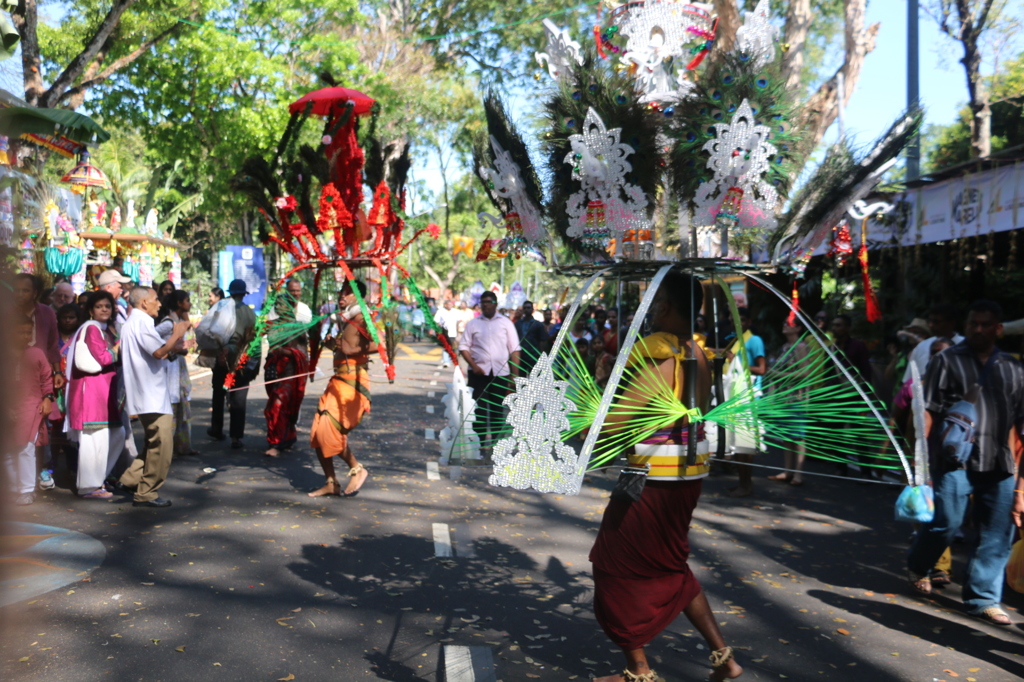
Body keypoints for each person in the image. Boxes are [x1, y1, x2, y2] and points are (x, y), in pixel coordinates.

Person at [590, 271, 742, 682]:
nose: (652, 309)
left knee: (611, 563)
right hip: (685, 477)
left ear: (668, 306)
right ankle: (724, 658)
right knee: (671, 563)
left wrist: (585, 415)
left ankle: (638, 671)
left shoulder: (660, 354)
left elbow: (618, 422)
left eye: (655, 302)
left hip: (654, 481)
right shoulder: (695, 352)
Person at [908, 300, 1024, 626]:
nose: (978, 329)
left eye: (986, 324)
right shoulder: (946, 361)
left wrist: (1021, 485)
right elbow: (927, 411)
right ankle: (919, 564)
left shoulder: (1013, 369)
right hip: (954, 460)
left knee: (997, 533)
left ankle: (982, 599)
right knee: (947, 521)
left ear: (998, 329)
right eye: (973, 323)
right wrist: (922, 465)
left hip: (1000, 463)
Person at [118, 286, 190, 508]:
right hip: (151, 394)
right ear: (144, 303)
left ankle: (130, 480)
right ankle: (147, 492)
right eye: (156, 300)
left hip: (147, 393)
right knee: (162, 446)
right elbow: (158, 352)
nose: (160, 304)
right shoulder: (141, 321)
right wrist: (177, 333)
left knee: (153, 442)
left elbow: (159, 352)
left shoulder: (135, 322)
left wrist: (175, 347)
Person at [308, 281, 375, 497]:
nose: (341, 296)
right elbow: (343, 347)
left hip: (353, 381)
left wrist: (348, 349)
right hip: (339, 379)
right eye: (341, 292)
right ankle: (331, 482)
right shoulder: (346, 318)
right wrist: (334, 345)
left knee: (329, 427)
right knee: (319, 431)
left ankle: (357, 469)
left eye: (346, 293)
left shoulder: (361, 317)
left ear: (357, 296)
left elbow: (377, 344)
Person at [65, 291, 128, 499]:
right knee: (94, 439)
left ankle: (99, 478)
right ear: (91, 310)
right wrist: (118, 348)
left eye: (107, 306)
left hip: (102, 391)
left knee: (116, 434)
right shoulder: (92, 328)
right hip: (91, 392)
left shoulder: (103, 329)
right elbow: (103, 357)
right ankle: (89, 486)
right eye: (99, 306)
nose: (104, 309)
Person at [14, 273, 62, 491]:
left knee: (42, 424)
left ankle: (42, 468)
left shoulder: (46, 313)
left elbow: (52, 345)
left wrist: (57, 371)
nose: (21, 294)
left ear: (35, 293)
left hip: (40, 375)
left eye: (26, 290)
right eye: (18, 290)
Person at [459, 290, 520, 444]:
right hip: (478, 373)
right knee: (478, 409)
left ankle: (496, 444)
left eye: (489, 302)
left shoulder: (505, 323)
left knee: (497, 410)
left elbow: (514, 349)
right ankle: (478, 443)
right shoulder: (473, 324)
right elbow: (464, 347)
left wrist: (514, 376)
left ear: (495, 304)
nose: (486, 306)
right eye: (483, 302)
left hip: (500, 373)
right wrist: (474, 365)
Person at [5, 316, 54, 506]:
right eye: (20, 331)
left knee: (26, 448)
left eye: (28, 332)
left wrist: (47, 398)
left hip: (31, 406)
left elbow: (46, 378)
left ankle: (26, 489)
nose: (25, 335)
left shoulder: (36, 353)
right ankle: (11, 488)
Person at [208, 279, 258, 449]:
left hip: (223, 357)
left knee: (219, 394)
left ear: (230, 292)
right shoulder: (251, 314)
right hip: (243, 361)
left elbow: (213, 332)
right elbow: (255, 340)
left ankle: (216, 429)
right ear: (243, 294)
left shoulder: (223, 308)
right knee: (238, 398)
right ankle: (236, 436)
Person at [726, 307, 766, 498]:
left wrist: (736, 363)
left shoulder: (755, 340)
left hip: (749, 397)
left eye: (740, 320)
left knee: (745, 443)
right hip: (735, 396)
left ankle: (746, 484)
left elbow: (761, 369)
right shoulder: (735, 340)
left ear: (748, 322)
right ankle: (742, 482)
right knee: (736, 443)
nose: (736, 323)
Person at [765, 320, 811, 486]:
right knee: (787, 436)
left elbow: (806, 372)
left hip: (796, 398)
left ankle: (798, 473)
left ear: (798, 328)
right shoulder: (785, 346)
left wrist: (778, 374)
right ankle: (788, 471)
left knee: (798, 436)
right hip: (784, 398)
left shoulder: (800, 346)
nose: (784, 325)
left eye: (789, 323)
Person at [155, 290, 198, 458]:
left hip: (178, 370)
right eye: (187, 301)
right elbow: (153, 341)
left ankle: (182, 446)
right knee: (170, 411)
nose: (190, 304)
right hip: (169, 370)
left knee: (182, 408)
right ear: (180, 303)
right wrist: (174, 348)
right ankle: (165, 451)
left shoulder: (179, 321)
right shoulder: (168, 323)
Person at [264, 333, 309, 458]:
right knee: (275, 410)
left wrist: (283, 351)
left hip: (289, 384)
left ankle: (276, 444)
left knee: (277, 410)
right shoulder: (279, 330)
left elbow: (301, 355)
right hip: (280, 382)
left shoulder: (297, 333)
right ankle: (285, 439)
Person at [901, 303, 964, 384]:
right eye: (930, 321)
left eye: (936, 322)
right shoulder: (921, 347)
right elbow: (908, 382)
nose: (931, 325)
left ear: (951, 323)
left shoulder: (965, 345)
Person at [514, 300, 547, 376]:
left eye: (528, 308)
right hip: (521, 356)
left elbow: (542, 341)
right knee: (521, 379)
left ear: (532, 309)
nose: (526, 309)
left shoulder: (538, 324)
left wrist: (542, 357)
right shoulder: (518, 323)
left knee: (534, 380)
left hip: (533, 356)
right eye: (525, 308)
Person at [98, 269, 132, 335]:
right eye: (120, 287)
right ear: (108, 287)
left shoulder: (120, 304)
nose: (122, 290)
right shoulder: (98, 308)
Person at [434, 300, 460, 368]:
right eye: (448, 304)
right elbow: (436, 321)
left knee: (453, 347)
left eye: (451, 304)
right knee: (446, 346)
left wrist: (458, 331)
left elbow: (459, 321)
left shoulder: (455, 311)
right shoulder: (440, 311)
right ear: (445, 305)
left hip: (453, 332)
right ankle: (446, 361)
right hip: (444, 332)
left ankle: (451, 359)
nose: (450, 306)